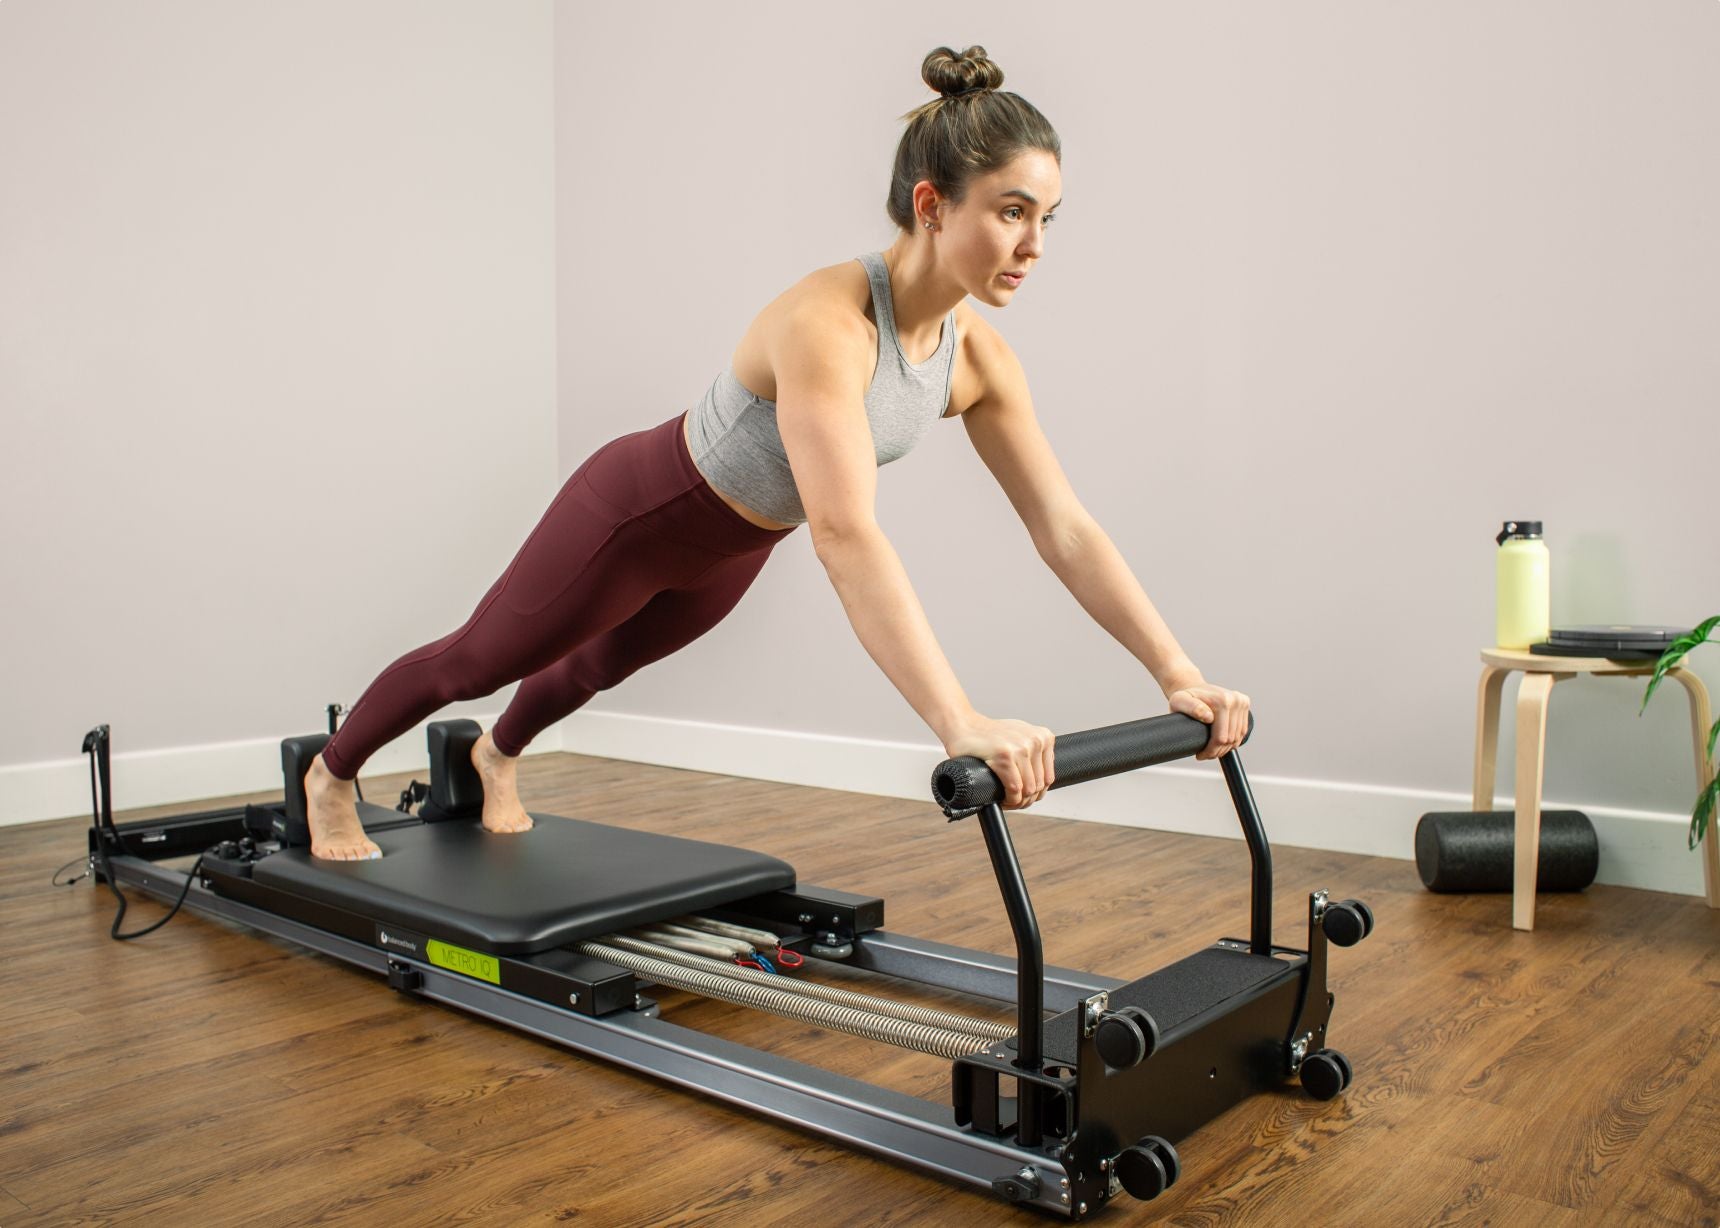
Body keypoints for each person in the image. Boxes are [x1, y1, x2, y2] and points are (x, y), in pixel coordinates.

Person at [304, 45, 1252, 861]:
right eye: (1011, 211)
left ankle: (494, 757)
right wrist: (957, 719)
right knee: (476, 659)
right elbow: (844, 533)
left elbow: (1066, 530)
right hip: (637, 515)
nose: (1035, 243)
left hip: (731, 550)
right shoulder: (827, 323)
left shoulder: (979, 361)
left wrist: (1176, 671)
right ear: (931, 204)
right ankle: (332, 772)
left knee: (596, 670)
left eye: (1048, 217)